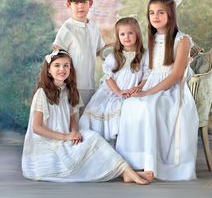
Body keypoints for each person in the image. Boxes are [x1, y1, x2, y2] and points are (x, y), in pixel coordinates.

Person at [21, 49, 153, 184]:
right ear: (48, 70)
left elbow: (73, 119)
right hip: (47, 147)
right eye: (57, 65)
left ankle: (125, 171)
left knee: (91, 137)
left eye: (66, 65)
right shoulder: (42, 93)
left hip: (65, 139)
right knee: (91, 144)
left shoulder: (70, 91)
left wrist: (74, 133)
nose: (62, 69)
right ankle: (126, 172)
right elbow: (37, 128)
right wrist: (66, 137)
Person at [116, 0, 199, 181]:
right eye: (152, 12)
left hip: (172, 89)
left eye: (161, 12)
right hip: (154, 84)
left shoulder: (182, 40)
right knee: (130, 104)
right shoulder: (153, 37)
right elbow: (153, 72)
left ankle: (155, 165)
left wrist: (147, 93)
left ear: (171, 14)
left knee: (150, 106)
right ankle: (136, 163)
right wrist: (138, 88)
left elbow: (176, 75)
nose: (155, 16)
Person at [79, 17, 149, 144]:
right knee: (100, 108)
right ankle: (98, 145)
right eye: (122, 34)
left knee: (130, 109)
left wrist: (139, 87)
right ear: (118, 36)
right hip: (113, 91)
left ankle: (124, 144)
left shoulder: (144, 55)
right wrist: (118, 92)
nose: (126, 37)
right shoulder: (114, 56)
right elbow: (108, 77)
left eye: (130, 33)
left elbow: (147, 75)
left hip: (134, 91)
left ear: (137, 34)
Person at [52, 0, 105, 110]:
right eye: (75, 3)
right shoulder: (67, 28)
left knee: (86, 117)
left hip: (90, 83)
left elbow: (100, 50)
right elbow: (57, 52)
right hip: (72, 84)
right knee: (73, 118)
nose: (80, 6)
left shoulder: (93, 27)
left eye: (83, 2)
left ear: (90, 3)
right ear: (68, 5)